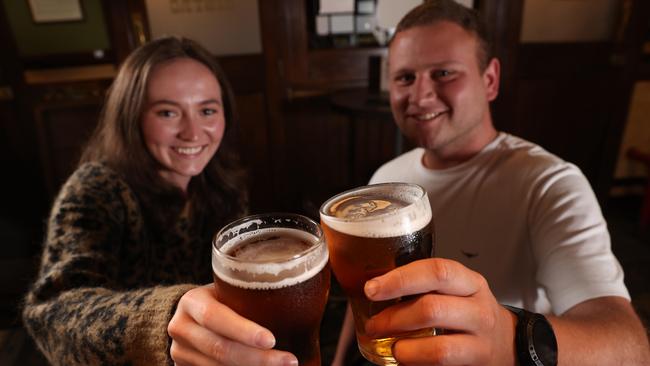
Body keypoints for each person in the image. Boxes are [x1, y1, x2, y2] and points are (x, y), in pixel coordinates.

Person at [333, 1, 650, 365]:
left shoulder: (549, 184)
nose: (420, 96)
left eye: (444, 73)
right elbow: (365, 295)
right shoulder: (385, 181)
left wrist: (512, 338)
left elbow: (631, 347)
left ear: (490, 81)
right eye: (405, 78)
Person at [22, 37, 298, 366]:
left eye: (207, 110)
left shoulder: (223, 186)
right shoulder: (95, 188)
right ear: (131, 117)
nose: (193, 133)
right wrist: (165, 320)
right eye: (168, 113)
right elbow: (52, 313)